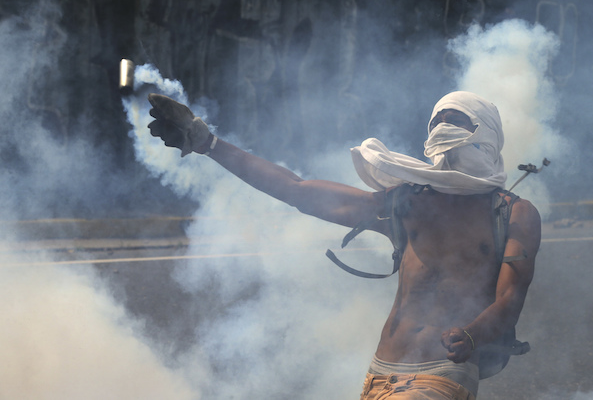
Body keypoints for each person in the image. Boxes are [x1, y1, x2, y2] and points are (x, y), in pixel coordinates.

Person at [147, 90, 541, 399]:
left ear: (486, 134)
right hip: (381, 372)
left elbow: (510, 299)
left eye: (455, 120)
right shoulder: (408, 203)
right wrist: (209, 144)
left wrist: (471, 335)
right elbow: (298, 190)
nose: (443, 127)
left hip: (442, 374)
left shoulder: (513, 213)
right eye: (437, 120)